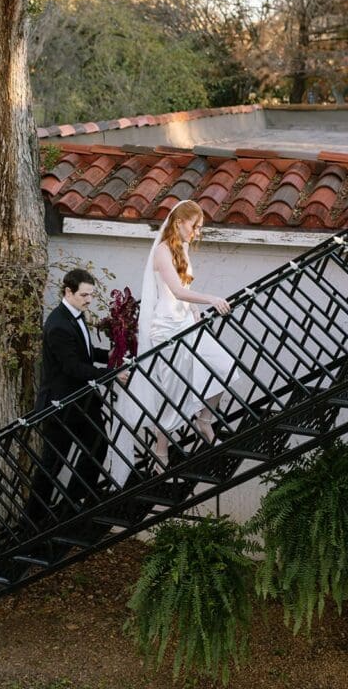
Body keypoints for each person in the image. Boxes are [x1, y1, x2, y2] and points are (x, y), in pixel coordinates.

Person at [110, 201, 232, 483]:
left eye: (200, 228)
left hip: (185, 324)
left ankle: (204, 420)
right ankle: (161, 451)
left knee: (224, 365)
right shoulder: (162, 251)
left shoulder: (183, 249)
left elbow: (185, 290)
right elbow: (176, 291)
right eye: (194, 226)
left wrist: (196, 312)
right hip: (165, 329)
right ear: (179, 222)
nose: (197, 232)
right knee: (174, 389)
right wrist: (211, 298)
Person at [26, 268, 112, 524]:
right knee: (52, 464)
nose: (88, 300)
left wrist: (113, 355)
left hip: (81, 402)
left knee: (97, 446)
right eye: (84, 295)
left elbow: (85, 352)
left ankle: (74, 501)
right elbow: (72, 366)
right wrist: (111, 373)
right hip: (61, 405)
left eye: (91, 295)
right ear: (68, 292)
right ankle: (33, 519)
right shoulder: (58, 325)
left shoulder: (75, 316)